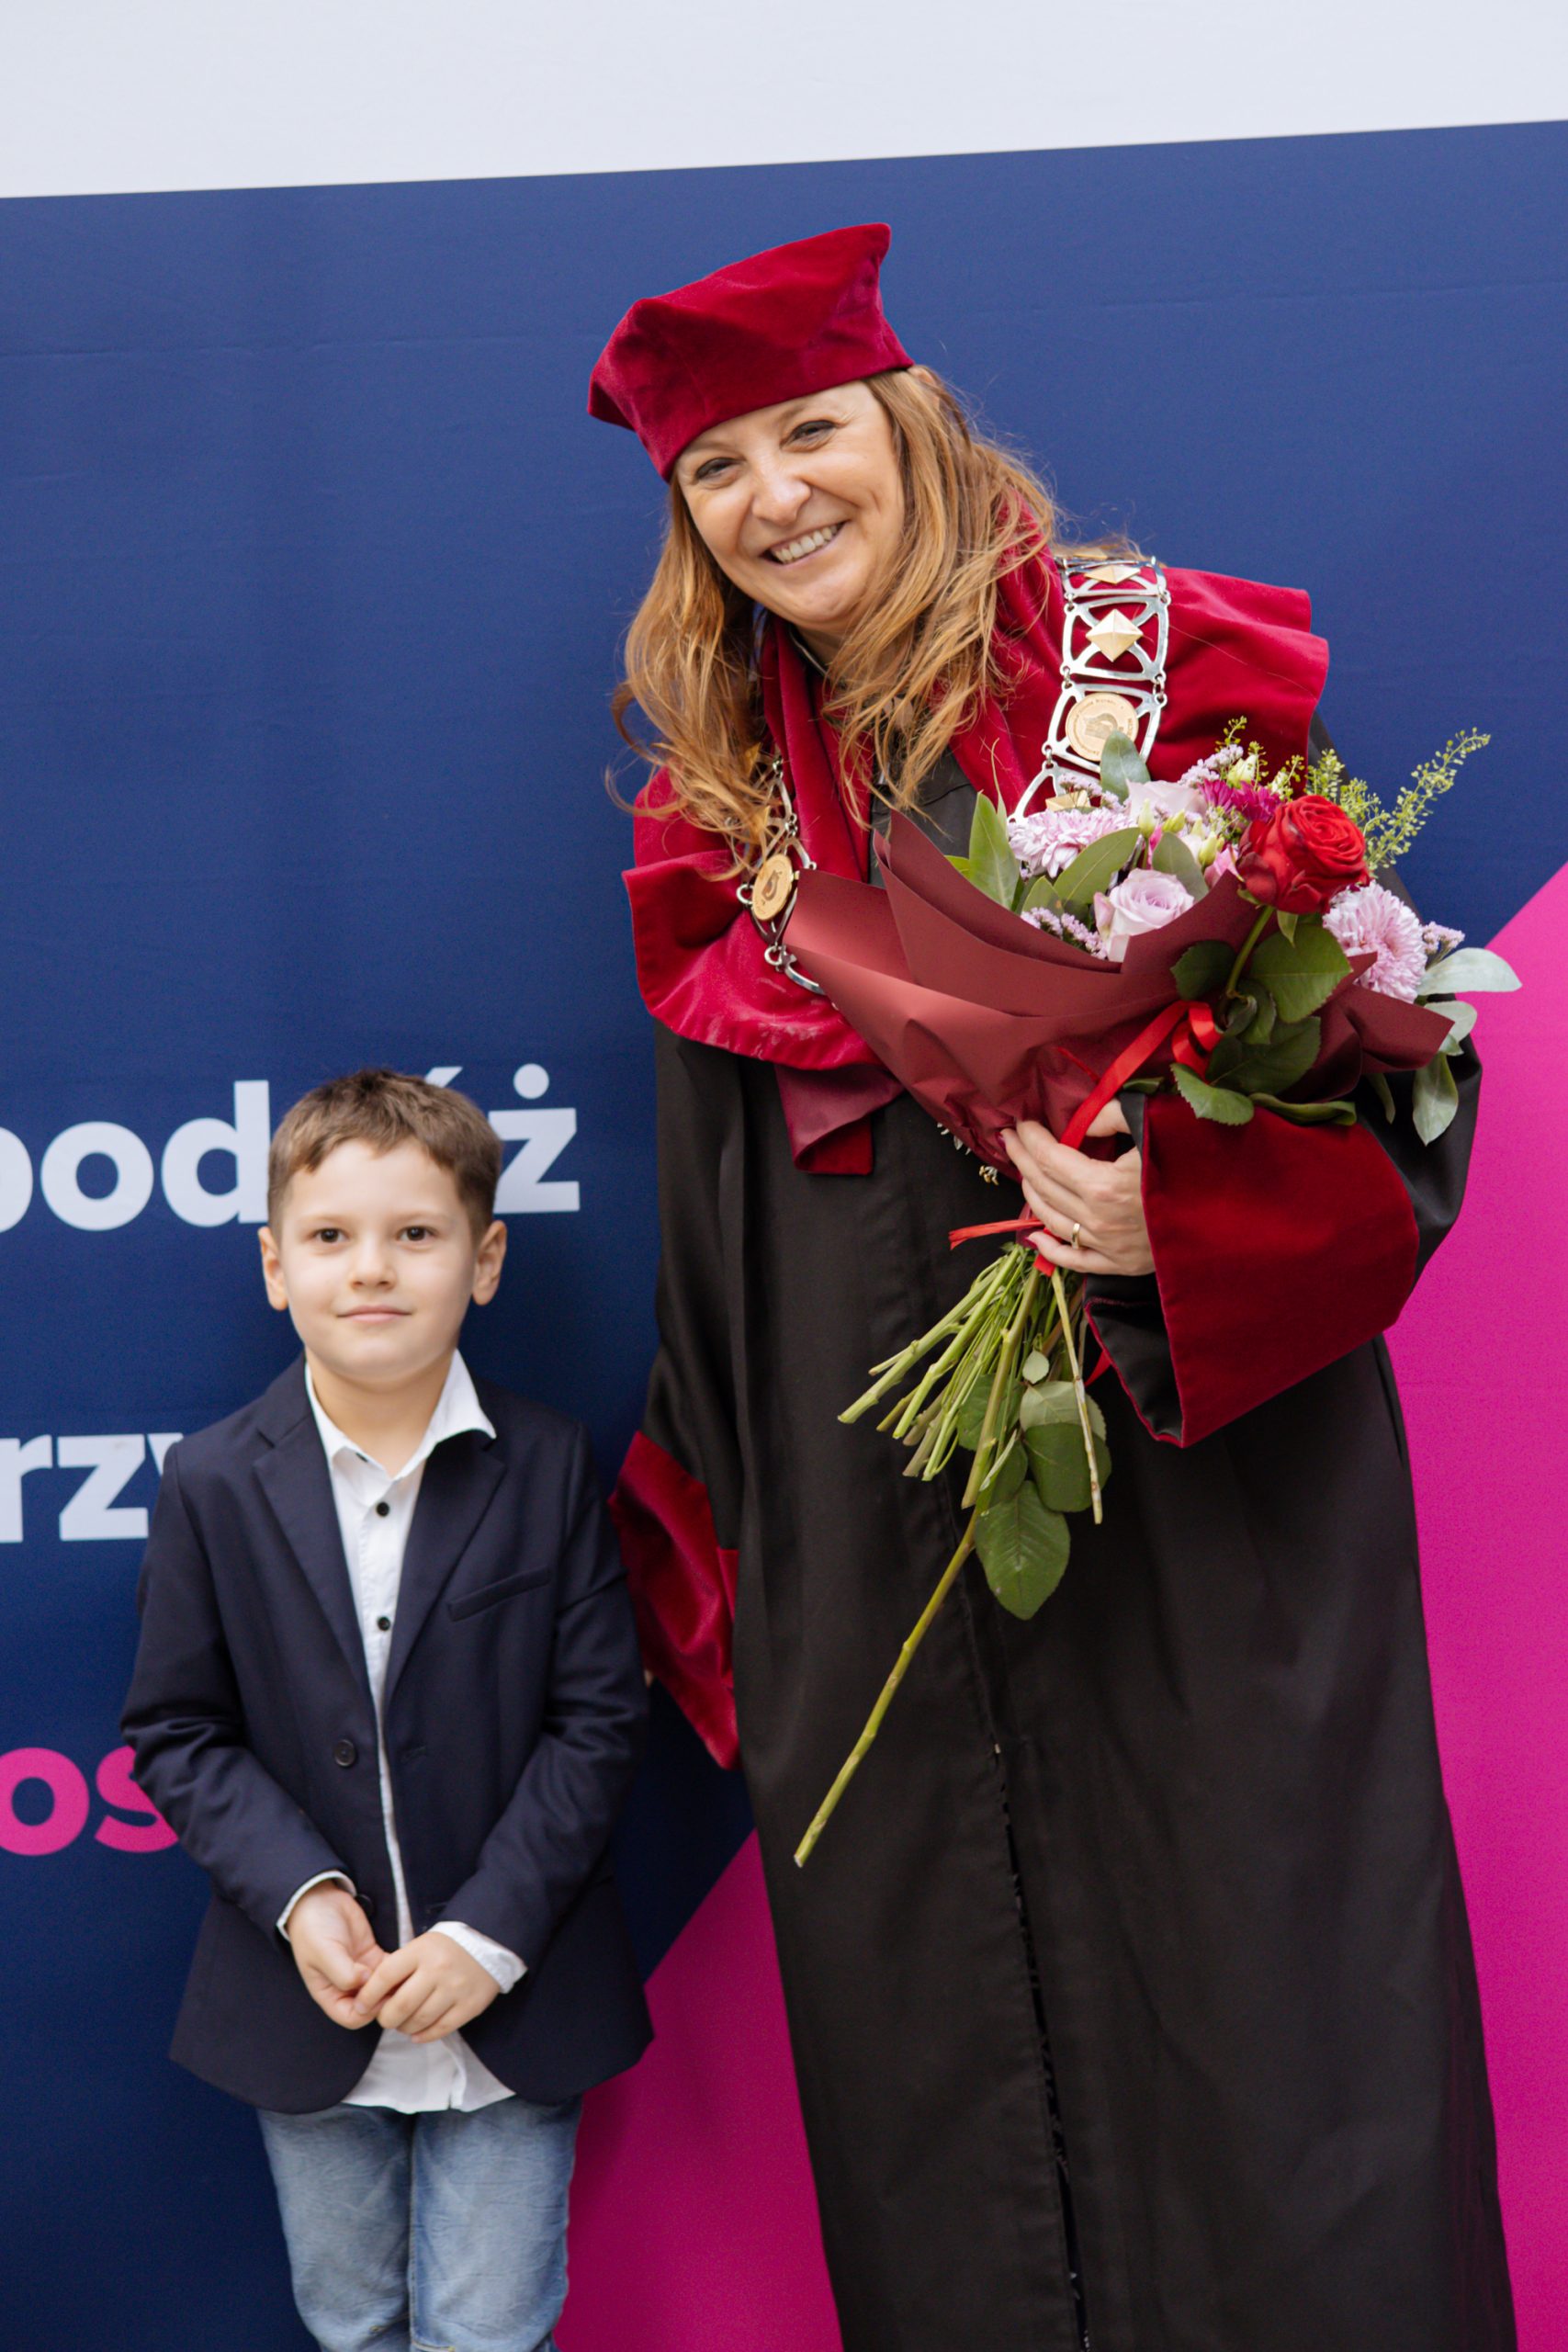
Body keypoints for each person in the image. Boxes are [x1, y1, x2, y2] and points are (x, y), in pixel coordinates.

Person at [590, 225, 1514, 2350]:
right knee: (950, 2109)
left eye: (806, 431)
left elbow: (1386, 1071)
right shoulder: (717, 816)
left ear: (905, 425)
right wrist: (753, 1558)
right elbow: (714, 1221)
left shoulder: (1153, 676)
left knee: (1274, 2049)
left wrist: (1169, 1215)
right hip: (880, 1542)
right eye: (714, 468)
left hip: (1195, 1506)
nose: (770, 495)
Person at [121, 1069, 649, 2352]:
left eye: (415, 1233)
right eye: (330, 1237)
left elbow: (596, 1724)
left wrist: (487, 1935)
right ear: (275, 1267)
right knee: (352, 2326)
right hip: (307, 2004)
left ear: (485, 1259)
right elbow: (178, 1730)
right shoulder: (210, 1482)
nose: (371, 1269)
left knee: (489, 2333)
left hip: (514, 1997)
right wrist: (302, 1898)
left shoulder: (548, 1463)